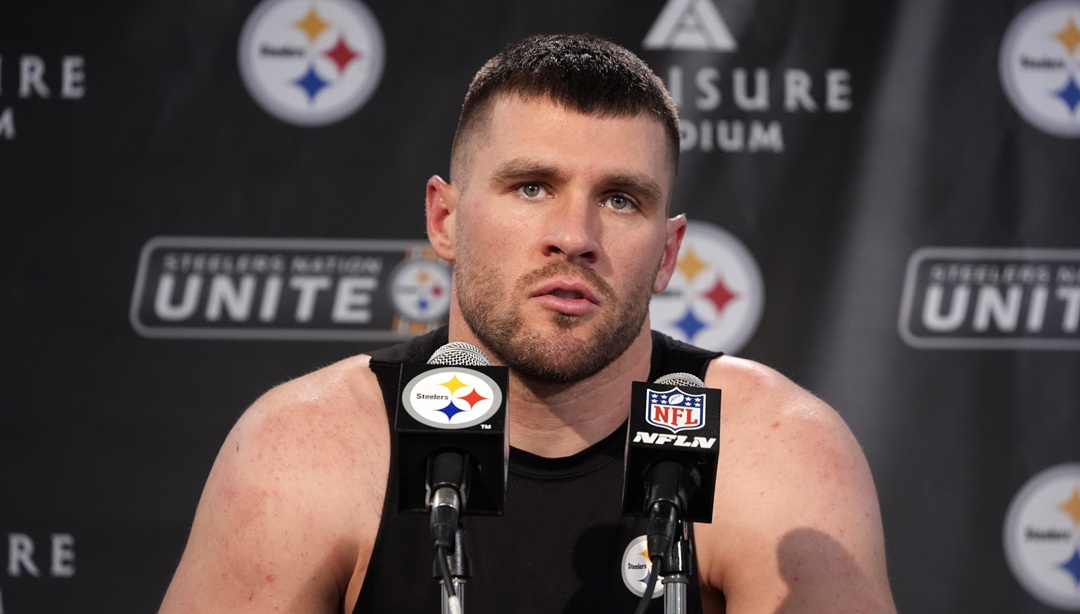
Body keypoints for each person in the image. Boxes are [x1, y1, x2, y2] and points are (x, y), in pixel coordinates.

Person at [159, 34, 895, 613]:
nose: (574, 236)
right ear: (444, 220)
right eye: (533, 187)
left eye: (620, 200)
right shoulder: (307, 449)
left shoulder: (774, 449)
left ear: (668, 254)